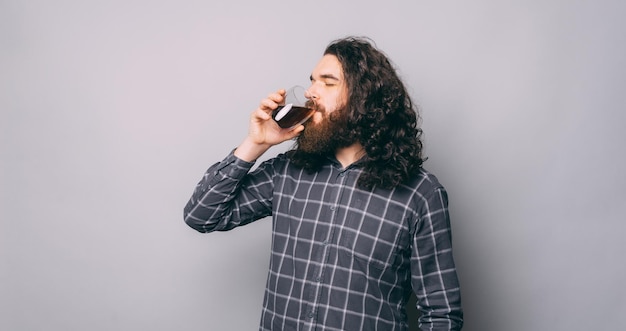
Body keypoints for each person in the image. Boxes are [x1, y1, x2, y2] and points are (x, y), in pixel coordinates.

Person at [184, 36, 463, 331]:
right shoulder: (287, 171)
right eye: (312, 81)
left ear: (364, 97)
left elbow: (441, 314)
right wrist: (255, 143)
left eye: (327, 83)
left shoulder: (420, 193)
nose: (311, 93)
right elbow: (202, 216)